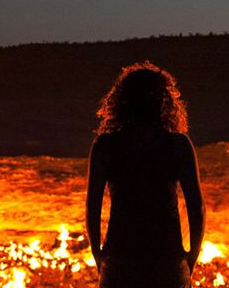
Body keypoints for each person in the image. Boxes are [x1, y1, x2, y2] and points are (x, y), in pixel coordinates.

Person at [86, 61, 205, 288]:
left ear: (121, 101)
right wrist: (191, 258)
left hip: (121, 260)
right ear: (164, 101)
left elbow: (92, 206)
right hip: (167, 261)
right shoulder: (178, 144)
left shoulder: (106, 145)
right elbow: (196, 207)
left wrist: (98, 254)